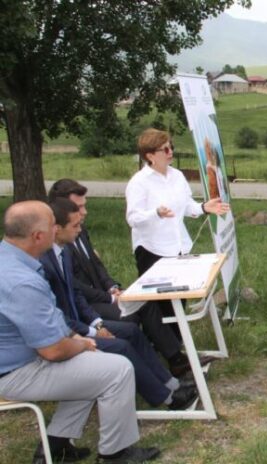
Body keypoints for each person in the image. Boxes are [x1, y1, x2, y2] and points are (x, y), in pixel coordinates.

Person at [0, 201, 160, 463]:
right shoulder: (22, 282)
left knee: (92, 366)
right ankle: (115, 453)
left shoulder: (9, 259)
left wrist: (76, 338)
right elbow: (53, 350)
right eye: (53, 224)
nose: (57, 229)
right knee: (116, 370)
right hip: (15, 371)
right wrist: (83, 344)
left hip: (19, 358)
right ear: (37, 236)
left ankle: (56, 447)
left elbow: (47, 318)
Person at [41, 198, 197, 411]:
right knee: (121, 345)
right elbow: (54, 313)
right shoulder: (43, 262)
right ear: (57, 229)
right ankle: (168, 399)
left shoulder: (63, 252)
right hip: (64, 333)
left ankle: (172, 384)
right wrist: (90, 330)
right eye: (75, 226)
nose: (80, 230)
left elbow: (75, 294)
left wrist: (96, 324)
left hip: (80, 322)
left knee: (131, 331)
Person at [47, 178, 211, 377]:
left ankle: (174, 358)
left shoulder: (79, 231)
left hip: (99, 296)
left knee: (144, 303)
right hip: (86, 305)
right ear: (61, 209)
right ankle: (163, 362)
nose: (84, 212)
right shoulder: (55, 244)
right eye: (79, 207)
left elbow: (96, 265)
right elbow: (73, 286)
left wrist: (111, 286)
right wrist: (109, 298)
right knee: (133, 315)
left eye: (84, 206)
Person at [125, 128, 229, 322]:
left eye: (170, 147)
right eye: (164, 150)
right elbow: (133, 218)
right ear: (150, 156)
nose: (170, 152)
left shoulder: (177, 176)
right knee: (160, 304)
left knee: (179, 299)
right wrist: (156, 213)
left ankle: (179, 342)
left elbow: (187, 205)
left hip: (179, 246)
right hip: (152, 249)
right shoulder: (139, 182)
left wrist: (205, 207)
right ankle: (162, 345)